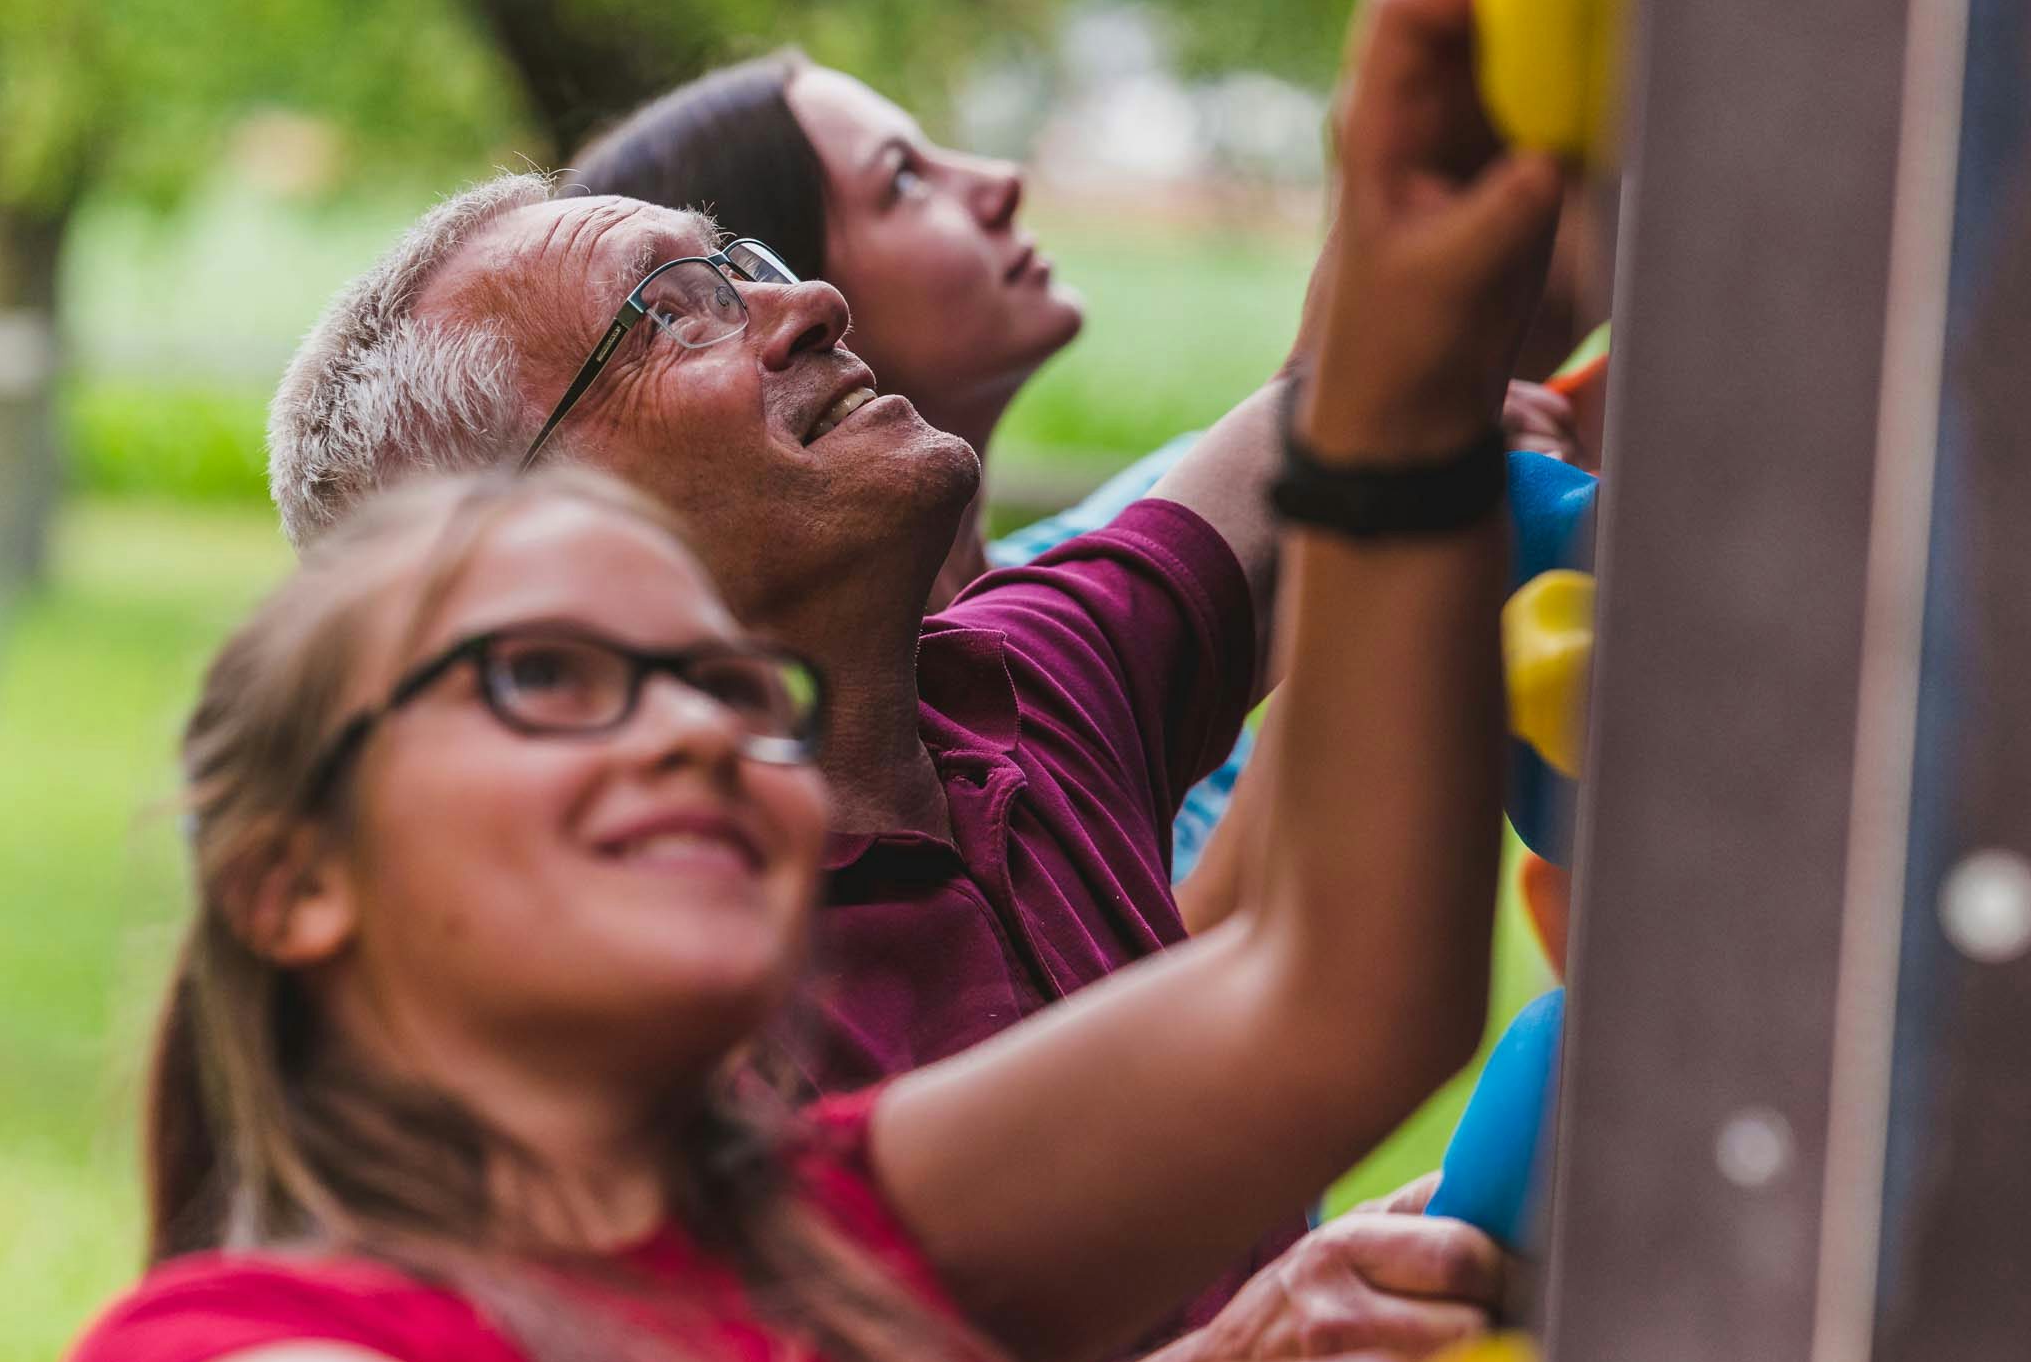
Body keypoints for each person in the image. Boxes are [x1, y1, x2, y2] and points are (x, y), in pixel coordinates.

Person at [52, 0, 1563, 1362]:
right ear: (296, 876)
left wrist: (1400, 398)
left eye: (733, 693)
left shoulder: (821, 1217)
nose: (699, 740)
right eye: (556, 675)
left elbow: (1338, 999)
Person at [561, 56, 1575, 888]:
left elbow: (1424, 357)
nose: (998, 179)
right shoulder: (839, 820)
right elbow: (1206, 1013)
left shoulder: (1081, 580)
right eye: (903, 181)